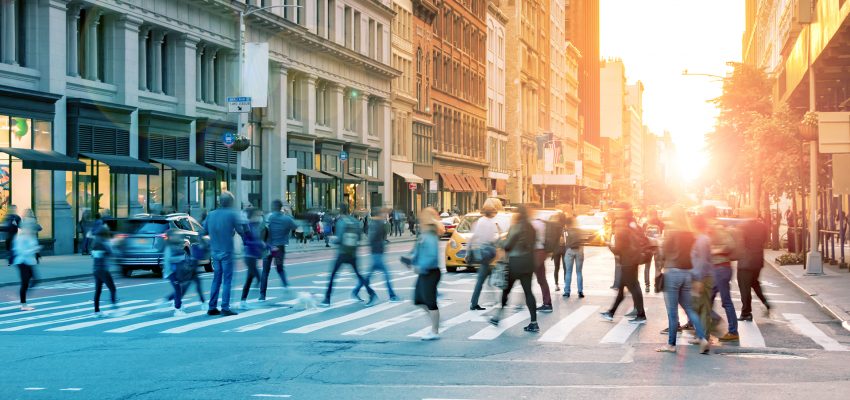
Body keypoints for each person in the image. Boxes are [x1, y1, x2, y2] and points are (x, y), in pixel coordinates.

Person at [655, 205, 709, 354]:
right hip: (687, 273)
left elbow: (664, 253)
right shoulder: (690, 234)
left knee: (672, 311)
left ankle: (671, 344)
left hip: (672, 272)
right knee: (690, 309)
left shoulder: (671, 232)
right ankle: (703, 338)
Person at [489, 205, 540, 332]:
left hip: (515, 263)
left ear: (518, 214)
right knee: (528, 292)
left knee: (506, 291)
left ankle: (497, 317)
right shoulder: (532, 229)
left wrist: (499, 241)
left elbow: (507, 246)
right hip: (528, 263)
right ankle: (534, 322)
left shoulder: (515, 227)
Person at [319, 203, 378, 308]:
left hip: (342, 253)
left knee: (332, 275)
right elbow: (360, 238)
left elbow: (339, 239)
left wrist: (333, 239)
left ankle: (327, 299)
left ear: (340, 211)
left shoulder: (341, 222)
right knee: (359, 275)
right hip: (352, 253)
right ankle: (372, 294)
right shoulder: (355, 221)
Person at [599, 203, 647, 324]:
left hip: (628, 262)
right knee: (623, 288)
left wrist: (608, 244)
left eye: (618, 210)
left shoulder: (624, 227)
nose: (616, 212)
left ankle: (641, 315)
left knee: (633, 287)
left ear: (622, 212)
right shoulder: (632, 224)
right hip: (632, 261)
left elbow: (618, 250)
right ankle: (611, 312)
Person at [201, 191, 244, 316]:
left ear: (220, 202)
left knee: (216, 279)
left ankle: (212, 306)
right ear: (231, 202)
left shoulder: (211, 214)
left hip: (215, 250)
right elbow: (241, 230)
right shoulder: (233, 214)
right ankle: (225, 307)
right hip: (227, 251)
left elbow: (203, 231)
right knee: (227, 280)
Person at [704, 206, 739, 342]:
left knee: (725, 301)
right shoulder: (713, 228)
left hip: (721, 269)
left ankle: (733, 332)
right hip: (716, 269)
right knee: (708, 299)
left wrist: (713, 250)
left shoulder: (718, 228)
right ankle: (705, 329)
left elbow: (730, 245)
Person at [352, 207, 403, 303]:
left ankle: (355, 291)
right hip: (377, 255)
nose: (385, 215)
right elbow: (382, 235)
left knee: (368, 276)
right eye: (383, 213)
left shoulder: (372, 224)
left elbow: (370, 239)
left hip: (374, 254)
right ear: (379, 215)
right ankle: (392, 296)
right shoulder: (379, 225)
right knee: (385, 275)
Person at [408, 207, 444, 340]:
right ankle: (435, 319)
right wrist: (410, 258)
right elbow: (417, 252)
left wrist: (420, 266)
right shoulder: (423, 234)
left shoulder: (431, 236)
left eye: (422, 216)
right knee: (418, 300)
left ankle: (435, 331)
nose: (420, 217)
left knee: (430, 302)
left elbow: (433, 257)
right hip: (424, 272)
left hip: (431, 272)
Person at [736, 206, 770, 321]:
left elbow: (738, 244)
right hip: (758, 261)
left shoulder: (742, 227)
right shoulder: (763, 226)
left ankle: (746, 312)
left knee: (744, 288)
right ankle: (765, 301)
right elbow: (766, 240)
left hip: (745, 262)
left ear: (745, 215)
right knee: (754, 282)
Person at [260, 200, 298, 301]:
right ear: (281, 208)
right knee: (280, 268)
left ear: (272, 207)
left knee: (265, 271)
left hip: (269, 246)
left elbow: (262, 230)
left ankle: (262, 295)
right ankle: (286, 286)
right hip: (279, 247)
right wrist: (289, 214)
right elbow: (294, 226)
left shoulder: (267, 217)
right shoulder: (286, 219)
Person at [469, 202, 501, 310]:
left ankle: (475, 302)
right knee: (483, 278)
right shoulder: (489, 223)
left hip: (483, 252)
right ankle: (475, 303)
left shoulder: (480, 221)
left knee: (484, 277)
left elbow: (475, 236)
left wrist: (469, 252)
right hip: (487, 253)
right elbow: (490, 239)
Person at [690, 214, 715, 342]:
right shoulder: (701, 239)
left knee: (703, 307)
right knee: (700, 306)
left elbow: (701, 261)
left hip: (703, 277)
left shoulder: (702, 240)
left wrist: (699, 280)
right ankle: (701, 334)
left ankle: (703, 336)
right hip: (703, 277)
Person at [238, 208, 266, 309]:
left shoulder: (256, 226)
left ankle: (243, 301)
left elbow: (259, 241)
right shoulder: (248, 226)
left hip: (254, 256)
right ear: (252, 216)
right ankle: (246, 299)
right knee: (258, 277)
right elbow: (245, 241)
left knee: (249, 279)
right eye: (258, 215)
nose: (259, 217)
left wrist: (267, 245)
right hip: (249, 256)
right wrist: (258, 243)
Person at [529, 204, 553, 313]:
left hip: (535, 252)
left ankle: (543, 303)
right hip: (541, 251)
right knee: (542, 279)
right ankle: (547, 303)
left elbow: (533, 239)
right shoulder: (543, 222)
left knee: (527, 278)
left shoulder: (534, 223)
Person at [12, 219, 41, 311]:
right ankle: (23, 304)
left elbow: (34, 246)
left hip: (29, 261)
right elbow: (19, 251)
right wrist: (32, 250)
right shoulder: (21, 237)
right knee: (25, 282)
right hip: (21, 261)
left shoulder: (32, 236)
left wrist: (36, 249)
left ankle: (22, 294)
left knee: (36, 279)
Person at [161, 229, 188, 317]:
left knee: (179, 289)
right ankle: (177, 310)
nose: (178, 237)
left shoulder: (176, 245)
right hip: (170, 272)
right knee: (178, 290)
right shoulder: (169, 247)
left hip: (176, 271)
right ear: (171, 237)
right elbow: (169, 259)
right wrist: (181, 258)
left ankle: (176, 304)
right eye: (176, 235)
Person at [642, 209, 665, 292]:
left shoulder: (645, 224)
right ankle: (656, 285)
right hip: (657, 247)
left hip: (648, 248)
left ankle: (647, 285)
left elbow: (642, 235)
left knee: (647, 266)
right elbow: (663, 234)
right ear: (656, 214)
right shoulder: (660, 223)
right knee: (657, 267)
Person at [562, 216, 585, 299]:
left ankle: (567, 291)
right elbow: (582, 241)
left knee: (568, 272)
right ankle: (580, 291)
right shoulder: (579, 230)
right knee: (579, 271)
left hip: (570, 251)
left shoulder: (566, 231)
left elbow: (564, 242)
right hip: (579, 251)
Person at [552, 213, 567, 292]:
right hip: (564, 249)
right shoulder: (566, 226)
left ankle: (556, 285)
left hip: (556, 249)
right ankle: (565, 285)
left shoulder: (555, 227)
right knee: (565, 268)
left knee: (556, 268)